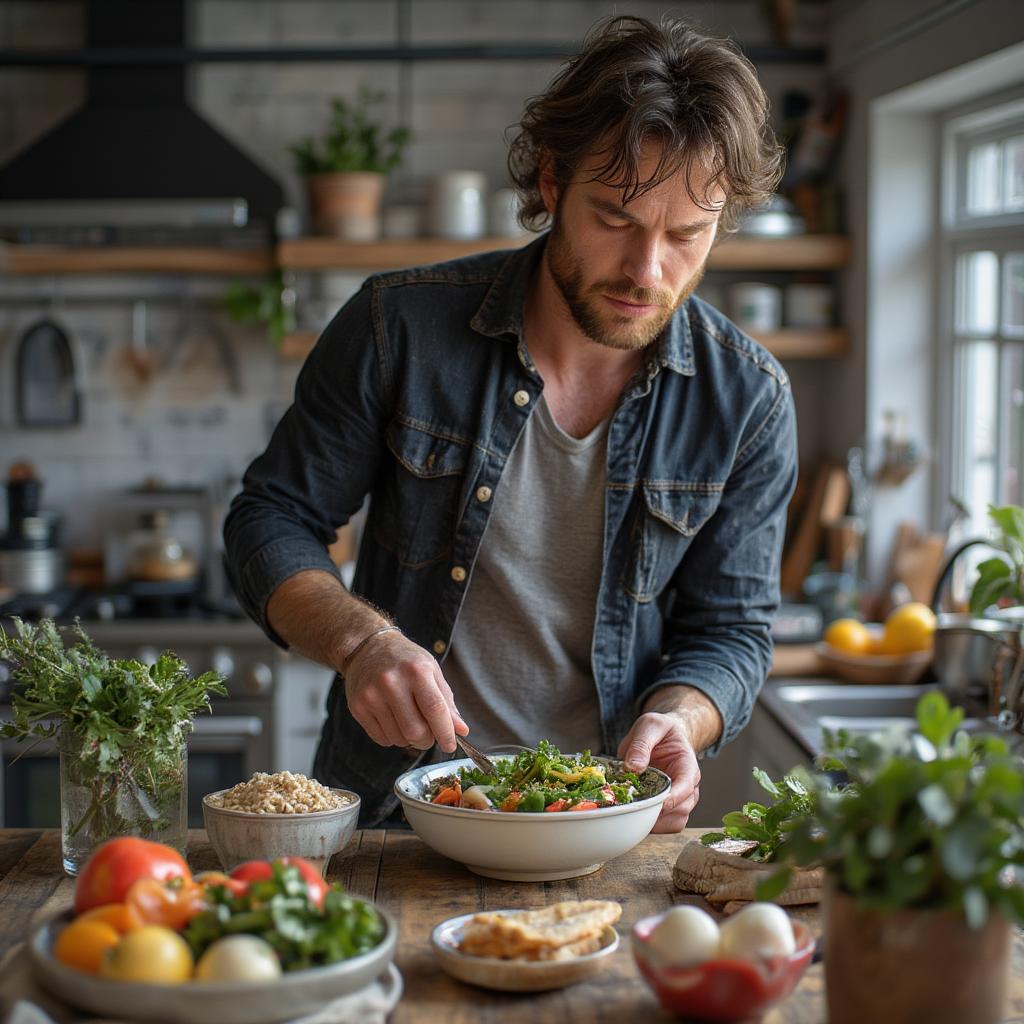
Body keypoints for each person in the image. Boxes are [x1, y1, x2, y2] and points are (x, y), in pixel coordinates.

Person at [224, 15, 797, 831]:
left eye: (686, 235)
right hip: (396, 814)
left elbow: (732, 630)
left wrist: (685, 717)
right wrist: (362, 644)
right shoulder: (401, 328)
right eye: (616, 219)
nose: (647, 270)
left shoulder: (748, 400)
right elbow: (269, 520)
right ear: (554, 183)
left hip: (602, 821)